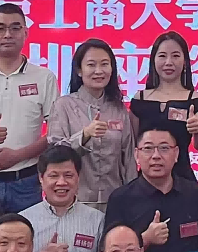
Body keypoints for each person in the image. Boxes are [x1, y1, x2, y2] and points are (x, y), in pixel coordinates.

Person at [0, 3, 60, 212]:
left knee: (28, 233)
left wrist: (18, 156)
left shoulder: (44, 77)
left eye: (15, 28)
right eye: (0, 28)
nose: (8, 34)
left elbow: (56, 133)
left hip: (27, 182)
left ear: (26, 33)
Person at [103, 125, 198, 252]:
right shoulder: (121, 199)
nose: (156, 156)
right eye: (148, 148)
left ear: (176, 154)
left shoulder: (195, 194)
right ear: (137, 155)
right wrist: (145, 239)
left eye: (164, 148)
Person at [46, 38, 138, 210]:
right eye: (91, 65)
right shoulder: (63, 106)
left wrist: (132, 196)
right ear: (79, 70)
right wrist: (85, 135)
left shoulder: (118, 108)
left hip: (114, 200)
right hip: (76, 201)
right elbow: (55, 154)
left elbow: (128, 158)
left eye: (104, 64)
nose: (98, 71)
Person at [21, 145, 105, 252]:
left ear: (78, 177)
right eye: (53, 175)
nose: (61, 182)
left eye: (68, 175)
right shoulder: (24, 221)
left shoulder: (97, 220)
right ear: (41, 178)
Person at [127, 31, 198, 182]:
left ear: (185, 61)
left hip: (183, 179)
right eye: (162, 56)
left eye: (175, 56)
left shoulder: (196, 99)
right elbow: (131, 143)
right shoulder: (140, 99)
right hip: (146, 180)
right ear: (153, 60)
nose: (168, 62)